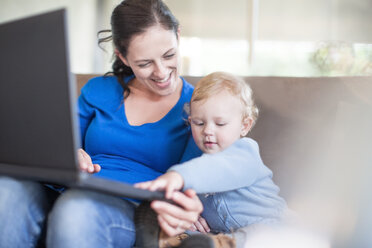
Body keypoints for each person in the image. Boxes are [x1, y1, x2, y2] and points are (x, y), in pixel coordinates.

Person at [0, 0, 205, 247]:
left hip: (131, 207)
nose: (161, 72)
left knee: (76, 209)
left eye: (169, 55)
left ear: (178, 36)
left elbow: (195, 178)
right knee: (6, 193)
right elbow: (58, 145)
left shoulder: (200, 107)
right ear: (123, 56)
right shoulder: (98, 91)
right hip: (68, 189)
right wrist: (71, 154)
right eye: (144, 63)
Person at [136, 71, 289, 248]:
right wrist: (188, 214)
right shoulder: (195, 158)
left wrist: (178, 176)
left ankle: (219, 244)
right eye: (199, 123)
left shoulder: (245, 152)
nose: (207, 130)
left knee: (262, 235)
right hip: (217, 231)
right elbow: (187, 192)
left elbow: (217, 170)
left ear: (244, 126)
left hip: (271, 224)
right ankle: (166, 238)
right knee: (195, 230)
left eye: (220, 124)